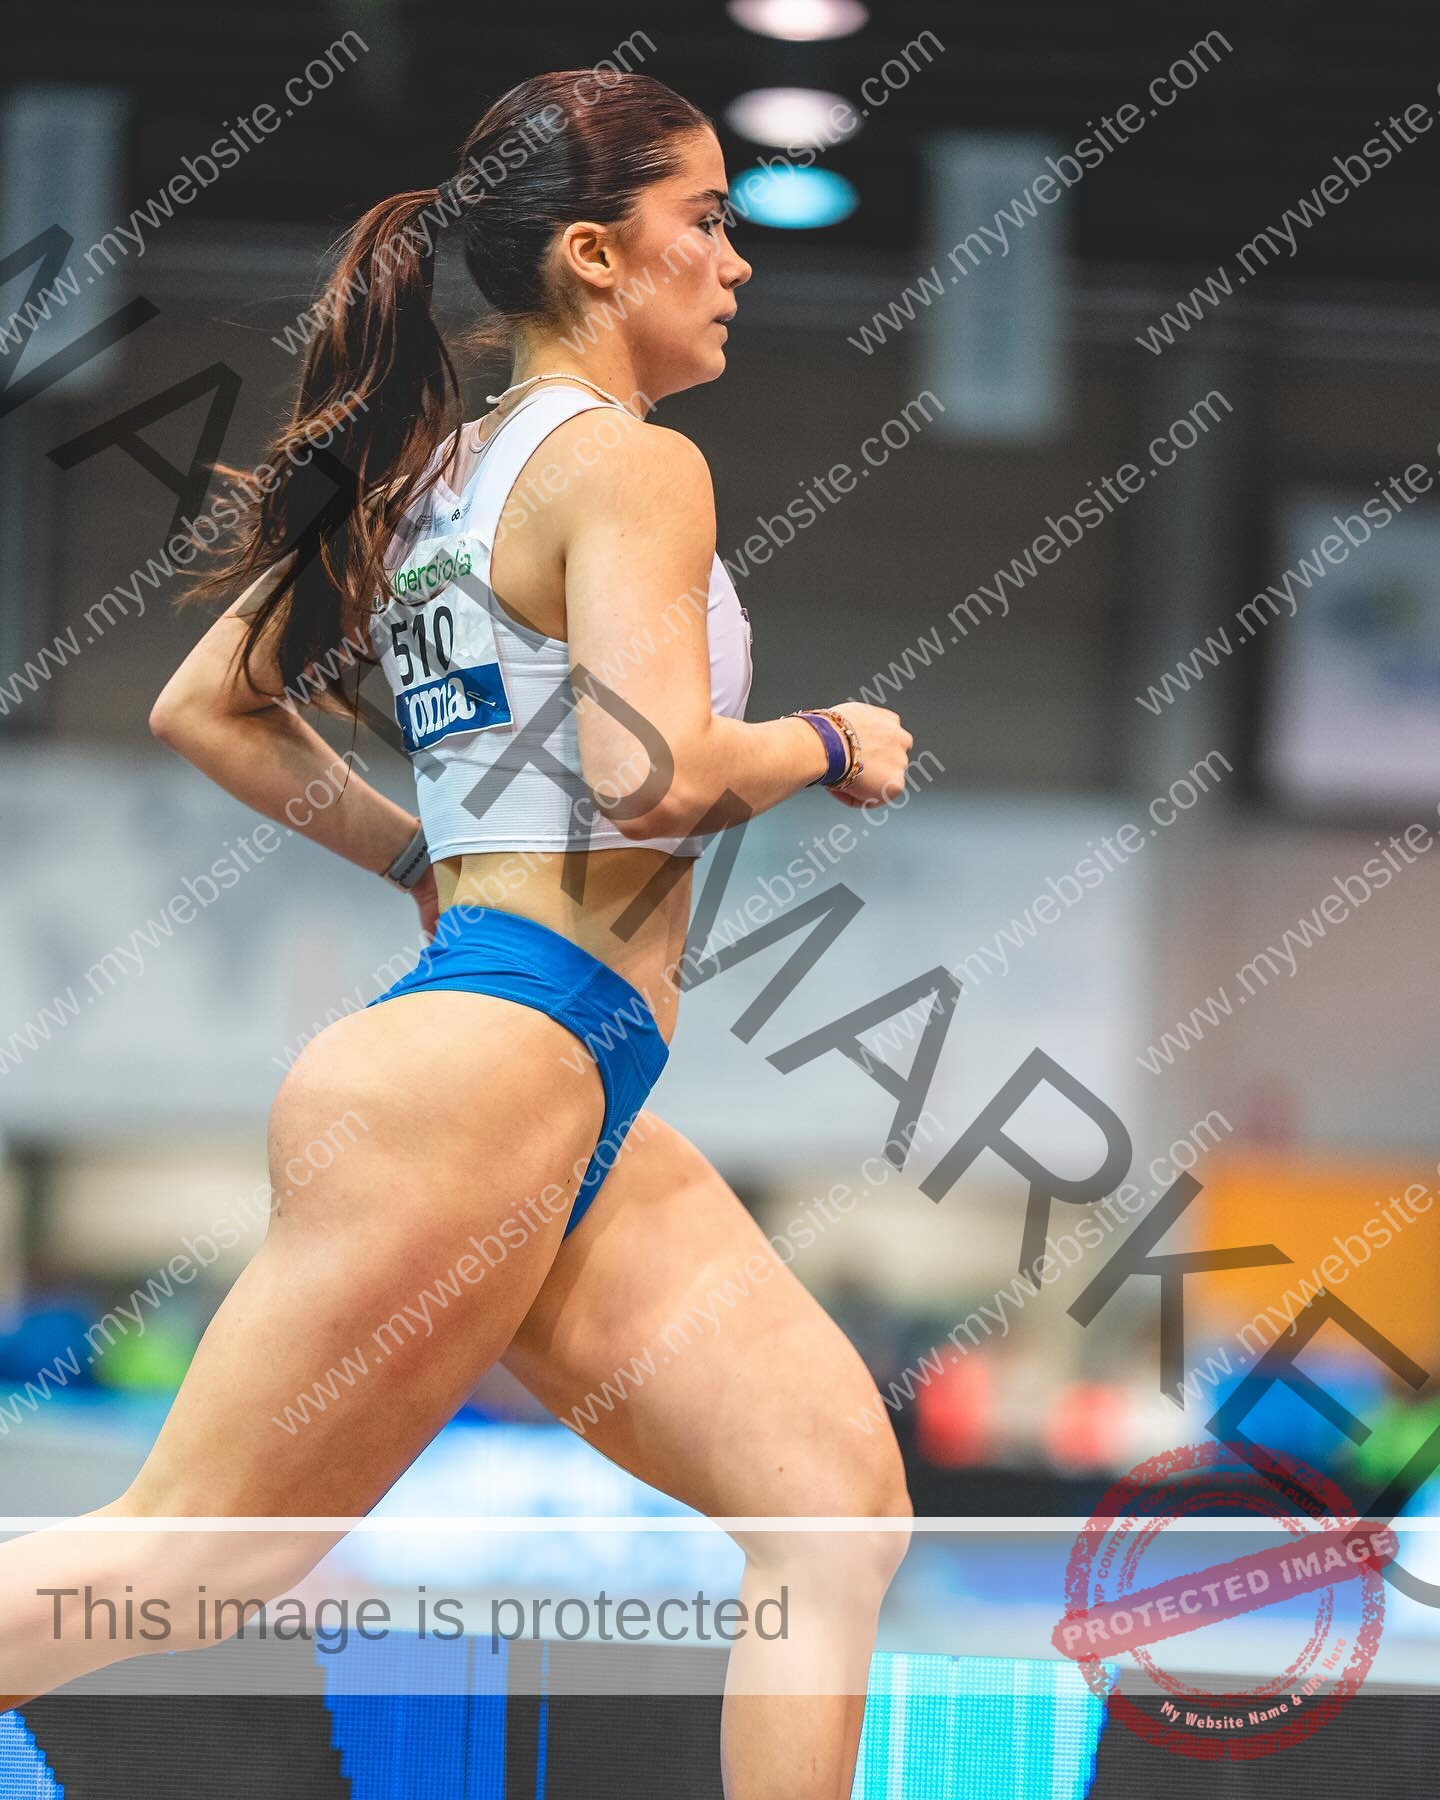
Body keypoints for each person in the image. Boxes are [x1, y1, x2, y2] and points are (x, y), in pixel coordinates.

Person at [0, 70, 915, 1799]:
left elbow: (209, 707)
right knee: (192, 1561)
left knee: (834, 1510)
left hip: (551, 1075)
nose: (735, 261)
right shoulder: (632, 465)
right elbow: (660, 778)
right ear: (594, 255)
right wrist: (828, 737)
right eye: (706, 220)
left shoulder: (439, 477)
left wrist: (427, 855)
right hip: (490, 1068)